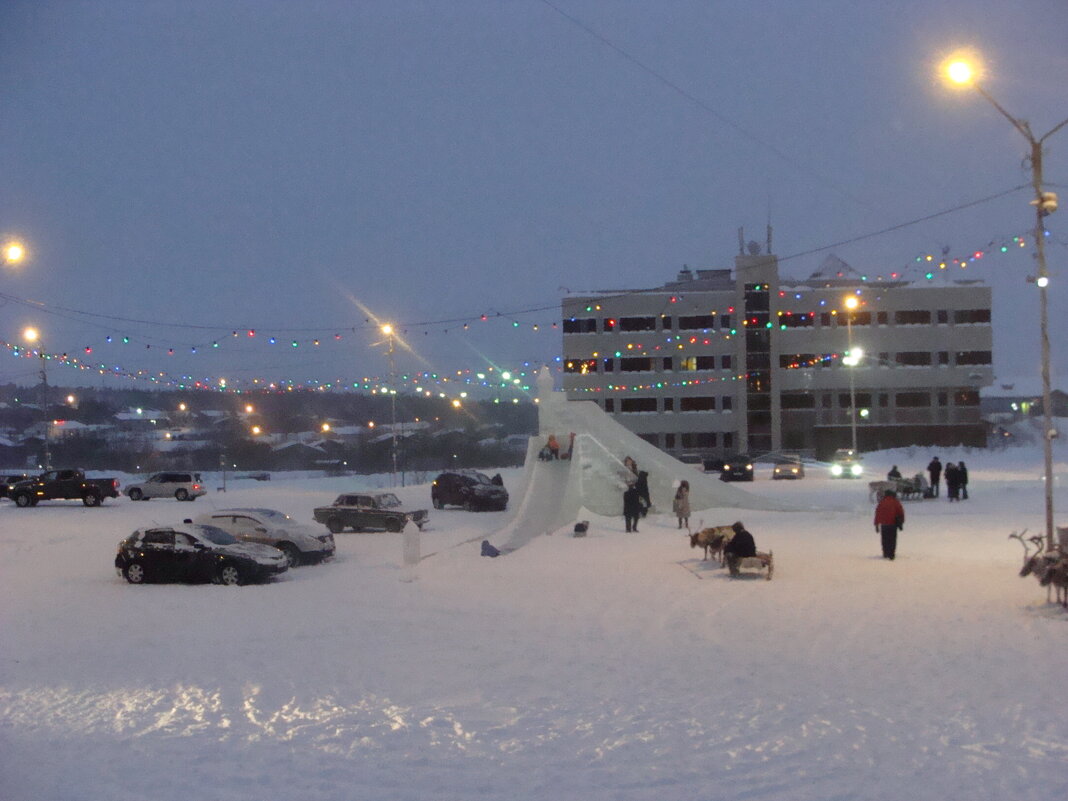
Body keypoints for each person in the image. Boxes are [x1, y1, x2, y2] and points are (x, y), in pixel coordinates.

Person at [873, 488, 905, 560]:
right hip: (893, 524)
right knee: (892, 540)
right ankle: (891, 554)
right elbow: (901, 512)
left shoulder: (882, 502)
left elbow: (878, 513)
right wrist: (901, 522)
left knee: (885, 539)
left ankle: (885, 553)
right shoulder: (895, 502)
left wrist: (876, 524)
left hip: (884, 524)